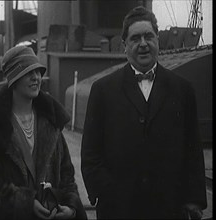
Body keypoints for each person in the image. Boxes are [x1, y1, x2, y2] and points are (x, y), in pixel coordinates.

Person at [81, 6, 207, 219]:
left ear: (158, 40)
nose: (143, 44)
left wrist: (193, 199)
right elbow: (90, 153)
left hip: (170, 207)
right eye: (135, 38)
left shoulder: (182, 89)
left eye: (149, 36)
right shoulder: (102, 90)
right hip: (119, 209)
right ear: (125, 46)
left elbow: (193, 148)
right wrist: (107, 192)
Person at [0, 45, 87, 220]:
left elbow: (67, 175)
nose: (36, 77)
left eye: (38, 71)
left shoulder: (51, 122)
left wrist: (71, 208)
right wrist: (26, 203)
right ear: (13, 79)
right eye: (28, 72)